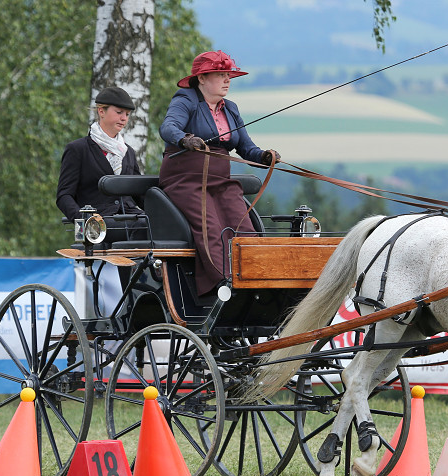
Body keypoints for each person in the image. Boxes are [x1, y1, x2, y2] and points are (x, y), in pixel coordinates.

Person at [159, 50, 280, 296]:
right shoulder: (186, 99)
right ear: (201, 78)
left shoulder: (231, 108)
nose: (227, 80)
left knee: (243, 227)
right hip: (185, 179)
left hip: (220, 180)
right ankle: (223, 286)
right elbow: (168, 127)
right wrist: (186, 139)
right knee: (212, 229)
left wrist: (264, 156)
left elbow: (246, 147)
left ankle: (254, 279)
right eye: (220, 74)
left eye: (229, 75)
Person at [56, 86, 146, 242]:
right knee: (140, 231)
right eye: (119, 112)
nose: (124, 118)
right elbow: (64, 195)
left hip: (131, 220)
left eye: (127, 114)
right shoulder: (78, 149)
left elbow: (139, 194)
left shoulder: (128, 152)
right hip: (97, 225)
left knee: (156, 227)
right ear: (101, 111)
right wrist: (84, 220)